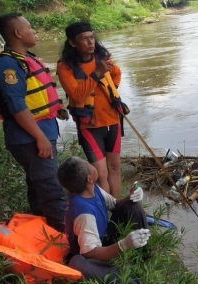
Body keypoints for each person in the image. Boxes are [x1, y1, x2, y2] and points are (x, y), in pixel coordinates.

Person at [0, 13, 67, 231]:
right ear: (18, 33)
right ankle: (68, 238)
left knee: (38, 186)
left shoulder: (24, 59)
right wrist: (40, 137)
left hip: (37, 133)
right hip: (30, 138)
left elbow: (32, 97)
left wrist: (56, 109)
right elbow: (16, 105)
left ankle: (42, 231)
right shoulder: (7, 65)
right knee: (51, 187)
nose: (33, 31)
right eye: (29, 27)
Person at [57, 21, 129, 198]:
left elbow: (116, 73)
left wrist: (110, 90)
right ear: (73, 43)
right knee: (100, 173)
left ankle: (117, 209)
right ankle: (105, 210)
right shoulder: (65, 66)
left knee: (115, 167)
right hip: (90, 125)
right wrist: (97, 74)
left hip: (113, 120)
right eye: (84, 39)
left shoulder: (102, 58)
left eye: (92, 38)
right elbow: (77, 95)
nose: (91, 42)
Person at [57, 156, 149, 284]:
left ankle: (142, 253)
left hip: (104, 238)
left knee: (132, 205)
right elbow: (90, 253)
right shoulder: (84, 214)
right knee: (79, 263)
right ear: (89, 178)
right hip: (93, 254)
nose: (89, 162)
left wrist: (132, 195)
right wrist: (122, 245)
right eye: (87, 163)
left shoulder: (92, 188)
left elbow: (116, 205)